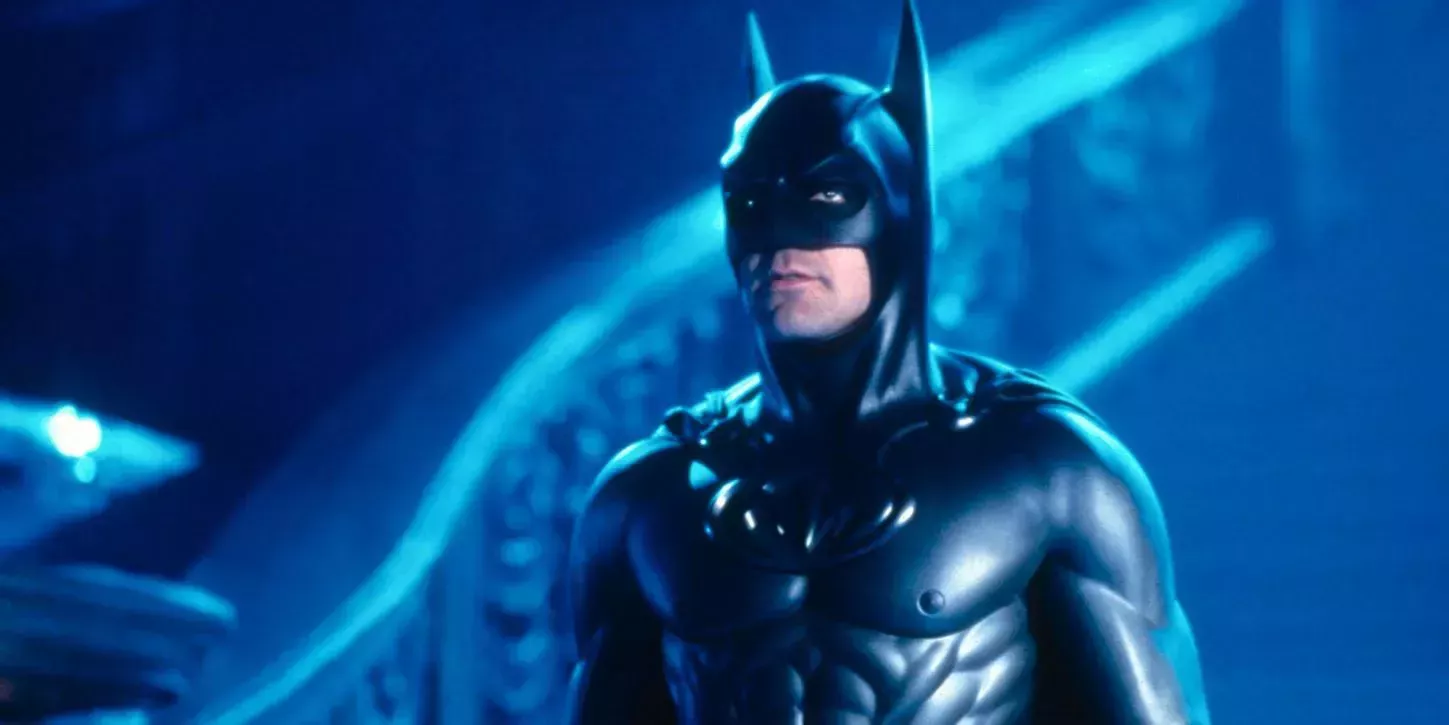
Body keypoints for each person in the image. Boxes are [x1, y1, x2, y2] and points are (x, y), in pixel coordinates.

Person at [565, 2, 1211, 722]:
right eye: (748, 202)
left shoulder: (1047, 467)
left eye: (825, 196)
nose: (779, 239)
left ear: (899, 216)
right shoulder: (648, 494)